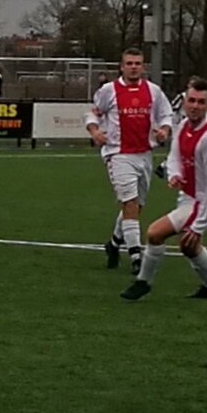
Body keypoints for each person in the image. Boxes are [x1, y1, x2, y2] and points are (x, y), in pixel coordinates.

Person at [121, 78, 207, 301]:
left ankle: (142, 282)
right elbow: (174, 157)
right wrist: (174, 174)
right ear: (184, 102)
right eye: (192, 100)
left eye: (201, 102)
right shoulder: (182, 127)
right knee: (188, 247)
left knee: (154, 233)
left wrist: (199, 225)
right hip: (189, 196)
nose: (195, 106)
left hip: (204, 200)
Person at [87, 47, 173, 274]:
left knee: (136, 206)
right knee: (130, 203)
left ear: (143, 67)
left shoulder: (153, 91)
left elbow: (166, 114)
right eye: (129, 63)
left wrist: (164, 130)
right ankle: (136, 255)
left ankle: (114, 243)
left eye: (137, 63)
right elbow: (93, 113)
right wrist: (94, 131)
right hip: (118, 154)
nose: (133, 67)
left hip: (144, 154)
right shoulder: (109, 90)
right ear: (121, 66)